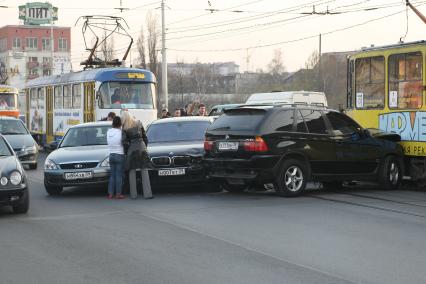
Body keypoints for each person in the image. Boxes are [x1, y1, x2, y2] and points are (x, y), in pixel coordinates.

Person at [121, 110, 153, 199]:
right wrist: (144, 147)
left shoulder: (124, 127)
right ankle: (148, 194)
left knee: (132, 171)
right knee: (144, 170)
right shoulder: (139, 122)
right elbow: (145, 137)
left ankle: (133, 195)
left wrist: (127, 151)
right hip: (142, 146)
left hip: (132, 149)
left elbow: (124, 142)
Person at [107, 116, 125, 199]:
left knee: (112, 175)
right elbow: (123, 142)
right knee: (119, 175)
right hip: (119, 154)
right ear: (120, 123)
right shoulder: (121, 132)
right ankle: (118, 194)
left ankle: (110, 194)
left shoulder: (108, 131)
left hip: (111, 154)